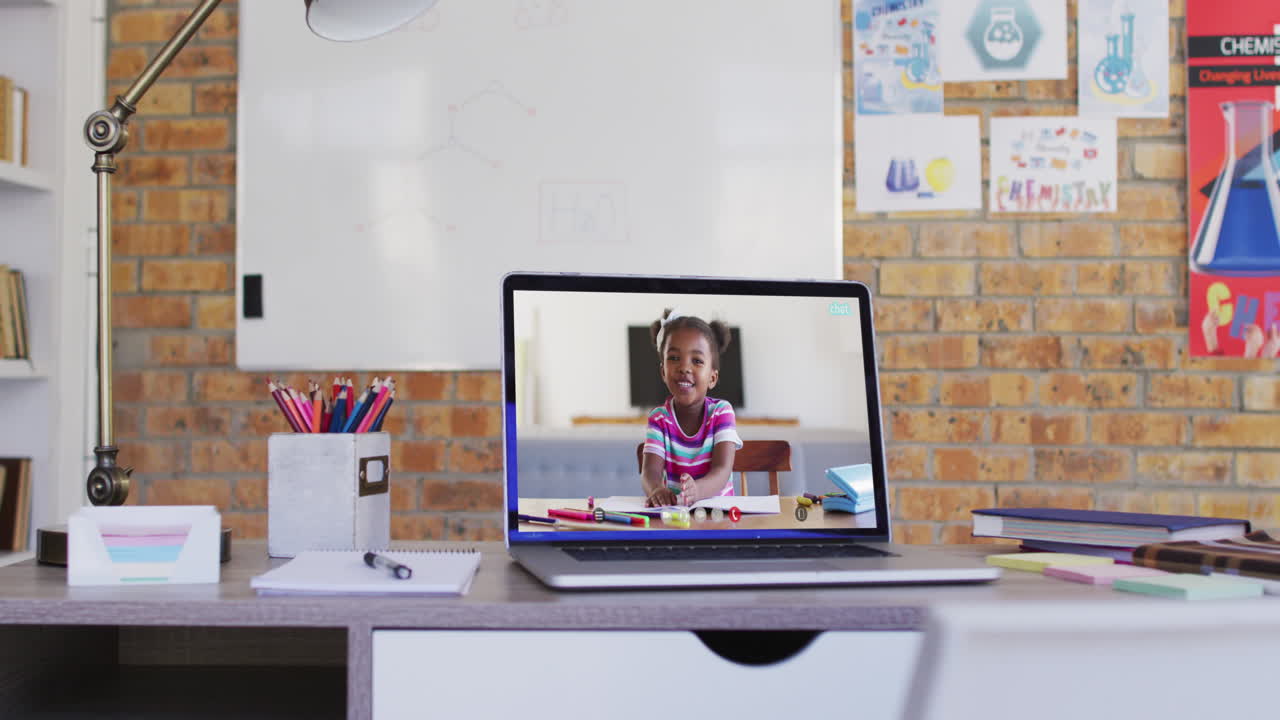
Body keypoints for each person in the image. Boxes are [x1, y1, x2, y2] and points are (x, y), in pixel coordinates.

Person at [640, 308, 742, 507]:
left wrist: (698, 491)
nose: (684, 367)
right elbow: (649, 472)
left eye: (696, 361)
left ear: (712, 377)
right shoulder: (659, 418)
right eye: (674, 358)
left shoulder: (722, 412)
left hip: (719, 518)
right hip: (678, 519)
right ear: (663, 371)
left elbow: (722, 471)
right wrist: (656, 489)